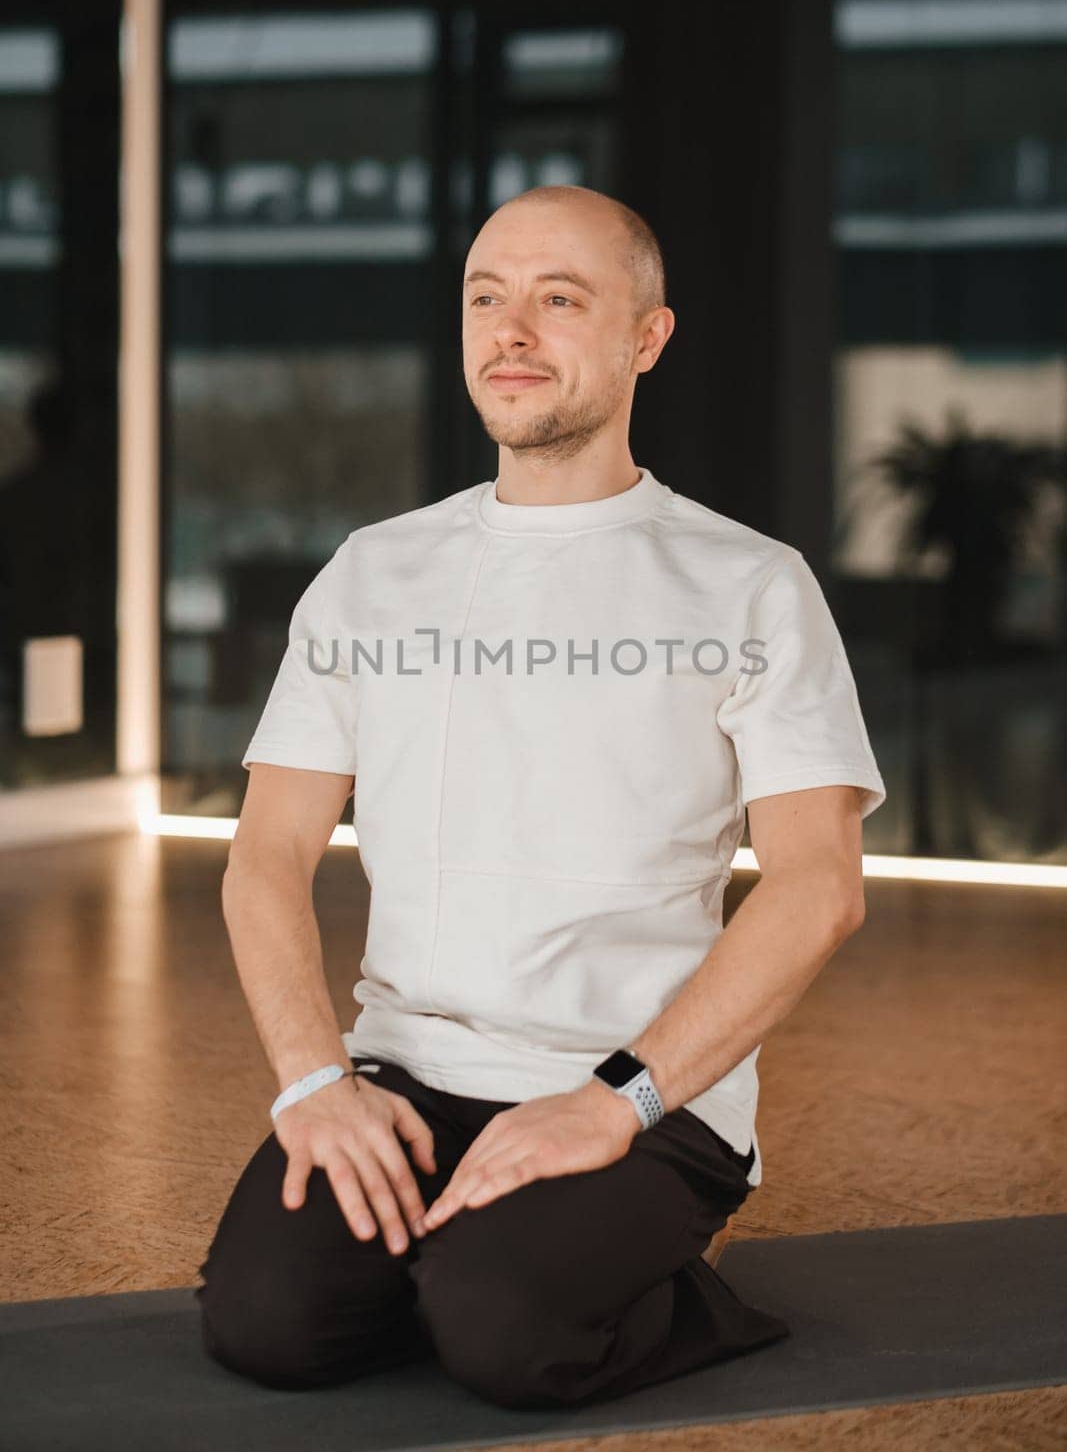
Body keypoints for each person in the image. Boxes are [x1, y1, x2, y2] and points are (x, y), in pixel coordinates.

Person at [195, 184, 886, 1407]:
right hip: (406, 1072)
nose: (509, 331)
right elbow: (266, 854)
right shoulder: (374, 572)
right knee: (265, 1325)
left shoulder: (748, 585)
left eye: (557, 300)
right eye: (485, 298)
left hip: (638, 1089)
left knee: (506, 1336)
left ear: (645, 338)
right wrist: (315, 1083)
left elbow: (819, 887)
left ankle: (650, 1287)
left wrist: (615, 1102)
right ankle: (465, 1258)